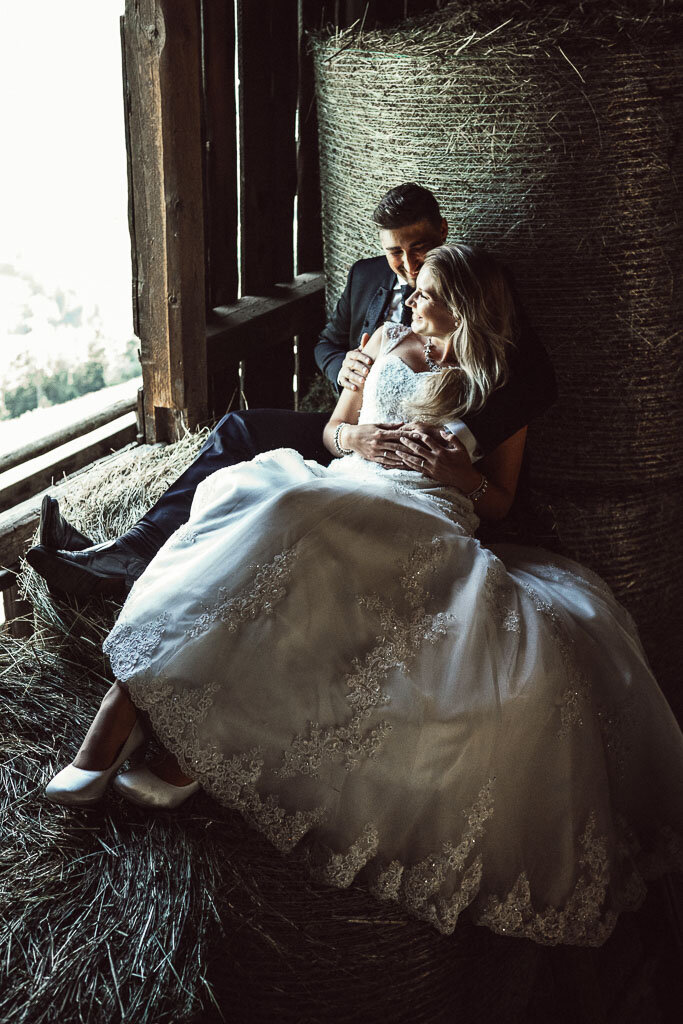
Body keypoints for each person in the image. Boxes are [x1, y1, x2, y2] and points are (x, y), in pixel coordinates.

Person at [44, 243, 682, 947]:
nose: (410, 296)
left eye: (428, 291)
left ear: (464, 302)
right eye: (413, 288)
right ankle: (136, 699)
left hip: (429, 513)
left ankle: (164, 730)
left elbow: (497, 500)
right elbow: (330, 429)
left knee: (316, 549)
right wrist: (358, 441)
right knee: (272, 508)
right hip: (356, 481)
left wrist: (458, 475)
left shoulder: (497, 381)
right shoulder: (383, 338)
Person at [26, 183, 556, 598]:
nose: (409, 266)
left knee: (272, 503)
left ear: (443, 231)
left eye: (420, 248)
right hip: (355, 418)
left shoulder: (480, 286)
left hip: (415, 448)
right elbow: (328, 342)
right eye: (397, 253)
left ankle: (131, 564)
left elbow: (527, 380)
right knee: (239, 428)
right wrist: (347, 368)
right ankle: (130, 551)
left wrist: (458, 445)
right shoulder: (367, 275)